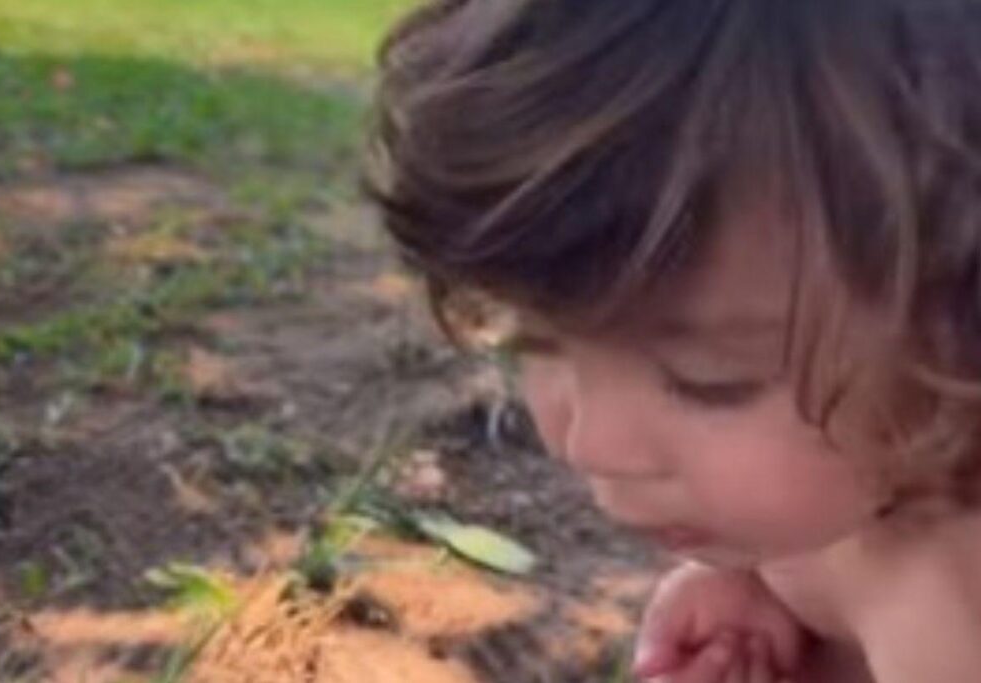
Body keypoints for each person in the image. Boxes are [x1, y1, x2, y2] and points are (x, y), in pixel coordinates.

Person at [364, 1, 981, 681]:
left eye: (708, 380)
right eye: (536, 343)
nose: (591, 442)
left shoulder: (947, 607)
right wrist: (759, 586)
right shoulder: (840, 498)